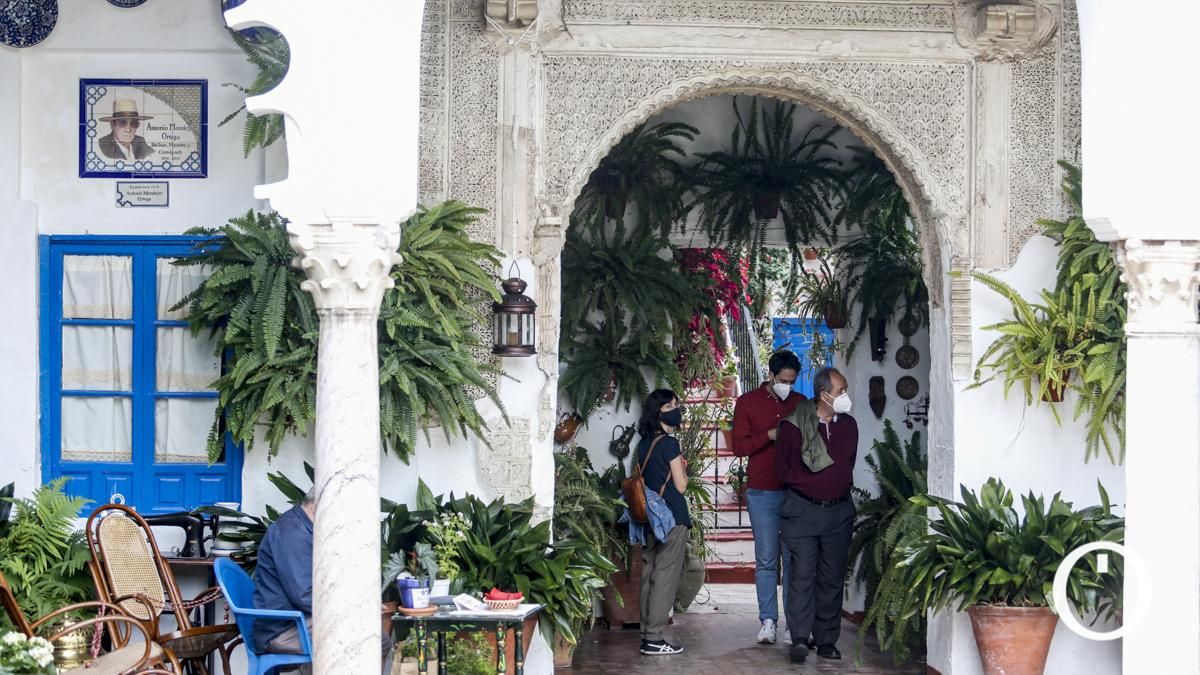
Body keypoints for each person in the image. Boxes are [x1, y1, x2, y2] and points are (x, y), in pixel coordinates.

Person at [254, 487, 394, 674]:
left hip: (302, 621)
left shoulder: (306, 530)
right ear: (318, 506)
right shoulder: (292, 534)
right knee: (370, 640)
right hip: (283, 629)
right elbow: (304, 595)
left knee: (376, 639)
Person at [775, 367, 858, 664]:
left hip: (838, 511)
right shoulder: (793, 426)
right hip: (802, 511)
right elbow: (782, 469)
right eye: (840, 392)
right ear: (824, 395)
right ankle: (799, 638)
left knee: (832, 578)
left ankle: (826, 641)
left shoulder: (849, 425)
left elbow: (848, 463)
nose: (845, 397)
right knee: (802, 575)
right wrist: (808, 488)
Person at [731, 350, 805, 645]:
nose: (787, 385)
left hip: (795, 492)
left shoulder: (800, 403)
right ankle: (768, 621)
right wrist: (770, 436)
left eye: (792, 381)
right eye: (783, 380)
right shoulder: (747, 402)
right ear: (771, 376)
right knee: (766, 559)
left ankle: (793, 624)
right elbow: (738, 447)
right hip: (762, 491)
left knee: (793, 559)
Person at [634, 389, 692, 657]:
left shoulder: (643, 444)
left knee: (649, 573)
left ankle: (647, 632)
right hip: (672, 517)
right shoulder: (670, 444)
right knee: (665, 576)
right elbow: (680, 486)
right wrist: (685, 470)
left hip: (649, 517)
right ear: (659, 412)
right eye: (670, 405)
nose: (675, 409)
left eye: (676, 404)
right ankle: (655, 637)